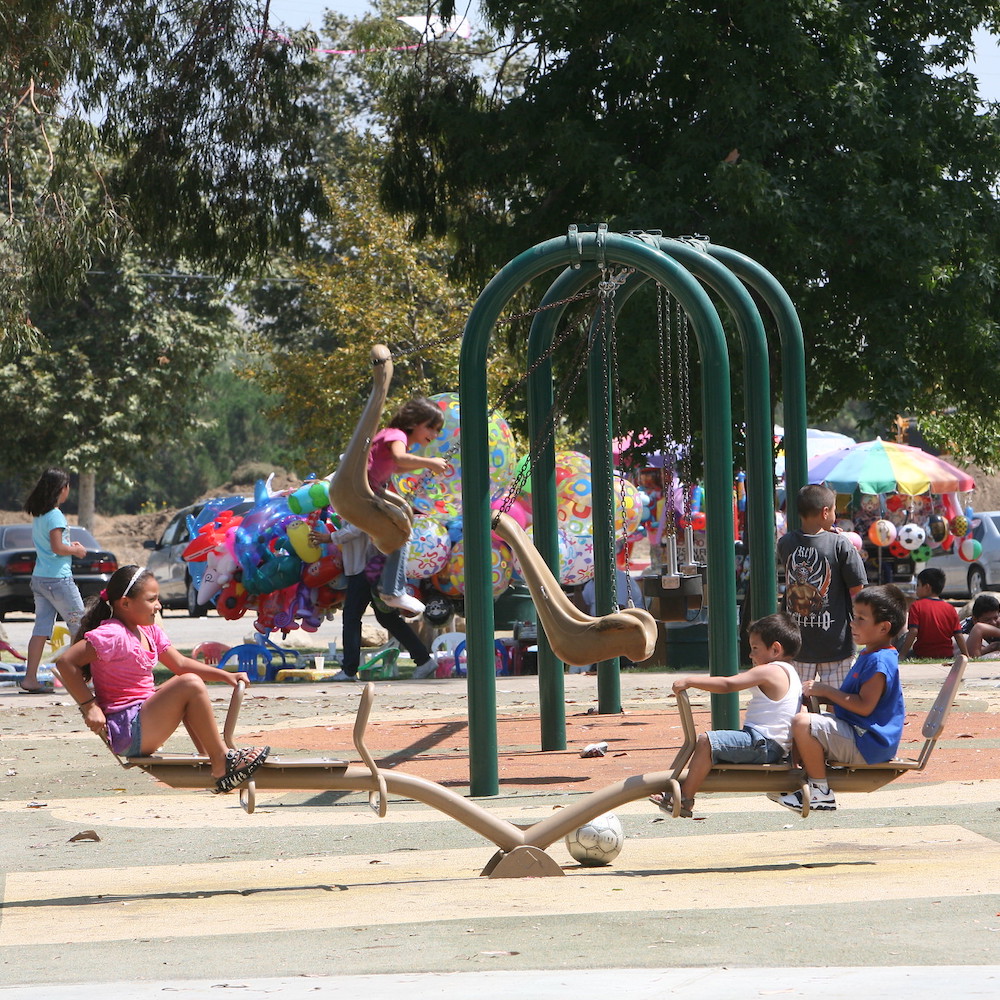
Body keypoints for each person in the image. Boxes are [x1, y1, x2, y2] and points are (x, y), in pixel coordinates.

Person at [55, 565, 270, 794]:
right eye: (152, 600)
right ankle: (221, 760)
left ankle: (212, 758)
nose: (158, 606)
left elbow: (180, 664)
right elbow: (65, 663)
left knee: (188, 685)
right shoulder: (112, 634)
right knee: (189, 684)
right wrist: (90, 707)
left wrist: (225, 675)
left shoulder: (149, 631)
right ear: (125, 604)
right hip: (128, 729)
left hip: (143, 721)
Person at [649, 613, 802, 818]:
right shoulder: (791, 672)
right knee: (710, 745)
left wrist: (690, 681)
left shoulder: (770, 671)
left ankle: (685, 798)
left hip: (763, 744)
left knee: (707, 742)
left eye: (755, 648)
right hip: (769, 744)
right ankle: (672, 788)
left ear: (775, 649)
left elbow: (729, 684)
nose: (751, 655)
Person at [772, 584, 907, 813]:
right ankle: (795, 777)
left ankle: (820, 791)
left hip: (869, 743)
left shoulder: (879, 662)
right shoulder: (869, 654)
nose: (853, 623)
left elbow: (864, 707)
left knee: (802, 723)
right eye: (854, 617)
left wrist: (825, 691)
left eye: (861, 619)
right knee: (801, 717)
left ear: (884, 627)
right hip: (860, 735)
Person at [310, 521, 437, 681]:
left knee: (352, 617)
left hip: (364, 568)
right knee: (387, 618)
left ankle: (349, 670)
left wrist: (330, 537)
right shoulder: (349, 500)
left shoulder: (357, 498)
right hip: (366, 568)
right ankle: (424, 660)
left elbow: (358, 526)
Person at [777, 483, 868, 687]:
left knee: (796, 699)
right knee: (836, 699)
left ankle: (805, 720)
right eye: (834, 510)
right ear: (825, 512)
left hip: (796, 641)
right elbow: (857, 588)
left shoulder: (785, 543)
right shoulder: (840, 544)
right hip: (835, 641)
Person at [367, 397, 447, 618]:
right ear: (414, 422)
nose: (434, 434)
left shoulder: (396, 436)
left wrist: (421, 469)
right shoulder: (397, 435)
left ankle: (392, 588)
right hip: (368, 490)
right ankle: (392, 590)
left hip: (374, 488)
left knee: (404, 528)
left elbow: (394, 465)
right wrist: (429, 462)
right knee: (403, 531)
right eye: (430, 427)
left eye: (438, 430)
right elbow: (398, 457)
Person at [20, 468, 88, 693]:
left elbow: (52, 546)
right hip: (58, 579)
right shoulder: (56, 515)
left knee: (41, 629)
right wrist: (76, 551)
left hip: (40, 578)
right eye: (68, 485)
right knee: (80, 625)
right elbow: (58, 547)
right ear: (62, 489)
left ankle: (30, 678)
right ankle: (77, 677)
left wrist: (70, 547)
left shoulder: (40, 515)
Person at [900, 567, 968, 660]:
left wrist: (902, 655)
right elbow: (958, 635)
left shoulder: (917, 606)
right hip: (946, 655)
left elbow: (913, 631)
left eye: (918, 585)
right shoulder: (950, 608)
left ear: (927, 587)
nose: (916, 589)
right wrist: (966, 655)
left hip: (922, 654)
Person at [960, 594, 1000, 659]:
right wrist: (992, 647)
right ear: (975, 620)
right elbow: (974, 655)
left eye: (995, 618)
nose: (993, 623)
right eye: (987, 620)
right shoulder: (966, 630)